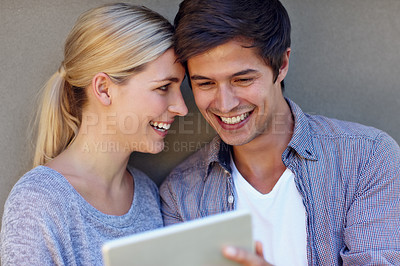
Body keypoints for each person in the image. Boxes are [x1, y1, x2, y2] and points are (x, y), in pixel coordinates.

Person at [160, 0, 400, 265]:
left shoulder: (367, 158)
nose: (225, 104)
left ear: (282, 64)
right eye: (205, 83)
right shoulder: (180, 194)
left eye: (242, 80)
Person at [0, 3, 187, 265]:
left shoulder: (147, 194)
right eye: (164, 87)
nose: (181, 107)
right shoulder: (37, 203)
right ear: (104, 89)